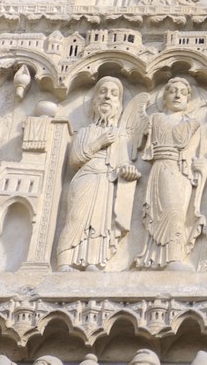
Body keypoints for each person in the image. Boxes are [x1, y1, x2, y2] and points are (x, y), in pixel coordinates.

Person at [55, 77, 139, 270]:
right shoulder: (85, 131)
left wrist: (128, 170)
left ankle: (92, 262)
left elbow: (123, 161)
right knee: (76, 218)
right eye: (103, 92)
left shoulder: (119, 135)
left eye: (113, 94)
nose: (107, 97)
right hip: (86, 178)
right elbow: (75, 159)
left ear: (118, 105)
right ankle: (64, 261)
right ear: (94, 101)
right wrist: (99, 143)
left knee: (100, 225)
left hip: (106, 182)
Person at [134, 77, 206, 270]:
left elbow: (196, 152)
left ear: (188, 100)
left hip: (182, 172)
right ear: (164, 97)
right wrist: (192, 124)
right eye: (173, 91)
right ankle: (171, 259)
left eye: (183, 93)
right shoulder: (157, 119)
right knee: (171, 211)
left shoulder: (192, 122)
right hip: (163, 167)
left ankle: (170, 257)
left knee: (180, 214)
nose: (177, 96)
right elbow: (178, 138)